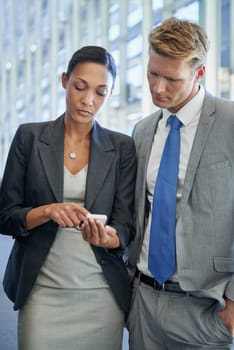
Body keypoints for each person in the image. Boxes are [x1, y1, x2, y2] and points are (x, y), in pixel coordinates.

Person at [0, 45, 136, 350]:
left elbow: (126, 228)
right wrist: (47, 211)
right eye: (80, 87)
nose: (88, 100)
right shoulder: (29, 137)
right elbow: (5, 216)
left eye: (101, 92)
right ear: (65, 80)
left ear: (110, 94)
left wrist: (108, 237)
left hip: (101, 295)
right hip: (41, 292)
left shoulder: (122, 148)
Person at [127, 17, 234, 350]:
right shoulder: (143, 131)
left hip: (206, 307)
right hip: (144, 300)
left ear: (199, 73)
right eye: (152, 74)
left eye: (171, 79)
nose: (158, 88)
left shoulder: (230, 123)